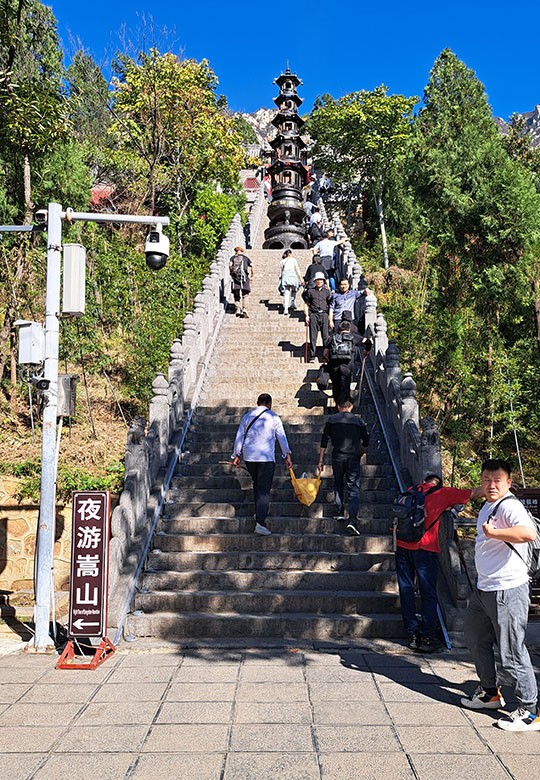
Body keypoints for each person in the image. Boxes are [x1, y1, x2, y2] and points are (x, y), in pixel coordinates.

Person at [460, 458, 540, 731]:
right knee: (474, 637)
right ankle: (489, 693)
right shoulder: (487, 505)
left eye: (497, 481)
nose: (491, 485)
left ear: (508, 483)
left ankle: (530, 711)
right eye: (486, 480)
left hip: (508, 589)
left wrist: (496, 533)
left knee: (512, 652)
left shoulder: (510, 505)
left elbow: (528, 533)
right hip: (485, 589)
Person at [396, 474, 483, 654]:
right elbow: (474, 492)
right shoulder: (443, 493)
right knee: (428, 593)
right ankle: (427, 636)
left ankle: (412, 634)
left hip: (402, 546)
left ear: (425, 481)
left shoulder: (410, 491)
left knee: (406, 590)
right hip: (425, 548)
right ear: (438, 484)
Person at [232, 393, 293, 536]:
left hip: (250, 456)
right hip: (266, 457)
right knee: (264, 489)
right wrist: (287, 454)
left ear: (257, 402)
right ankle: (260, 522)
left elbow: (239, 435)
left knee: (257, 484)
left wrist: (236, 454)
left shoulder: (247, 416)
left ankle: (259, 512)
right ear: (270, 404)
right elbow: (281, 437)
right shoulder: (273, 417)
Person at [318, 397, 369, 534]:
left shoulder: (332, 420)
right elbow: (366, 440)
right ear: (351, 407)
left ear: (338, 406)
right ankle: (352, 520)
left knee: (338, 483)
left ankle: (339, 511)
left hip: (338, 456)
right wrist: (361, 451)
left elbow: (324, 441)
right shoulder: (358, 421)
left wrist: (321, 460)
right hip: (353, 457)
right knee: (353, 487)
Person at [322, 320, 367, 404]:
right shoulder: (353, 337)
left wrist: (327, 361)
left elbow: (325, 353)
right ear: (349, 329)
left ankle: (337, 406)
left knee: (336, 387)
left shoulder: (332, 337)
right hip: (347, 366)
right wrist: (366, 351)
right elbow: (368, 341)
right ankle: (344, 408)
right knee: (345, 388)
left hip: (334, 367)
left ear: (339, 329)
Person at [302, 271, 331, 362]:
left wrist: (330, 318)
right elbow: (306, 304)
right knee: (313, 336)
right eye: (318, 280)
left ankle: (325, 356)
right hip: (314, 314)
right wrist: (306, 315)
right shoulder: (310, 291)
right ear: (315, 281)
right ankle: (312, 356)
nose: (319, 282)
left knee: (326, 336)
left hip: (324, 315)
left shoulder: (327, 292)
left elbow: (330, 305)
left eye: (321, 280)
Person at [229, 246, 253, 318]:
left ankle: (238, 309)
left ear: (236, 251)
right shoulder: (246, 258)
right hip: (244, 278)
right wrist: (252, 275)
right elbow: (252, 265)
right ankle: (245, 309)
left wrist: (232, 273)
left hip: (235, 278)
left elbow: (230, 265)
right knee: (245, 295)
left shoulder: (232, 258)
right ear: (242, 251)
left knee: (236, 295)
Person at [278, 249, 303, 314]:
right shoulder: (293, 260)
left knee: (286, 292)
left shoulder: (282, 261)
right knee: (294, 289)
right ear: (290, 254)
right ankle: (292, 303)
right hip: (292, 276)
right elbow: (297, 270)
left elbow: (280, 273)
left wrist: (280, 280)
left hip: (285, 276)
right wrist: (301, 279)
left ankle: (286, 309)